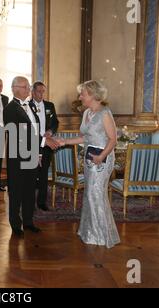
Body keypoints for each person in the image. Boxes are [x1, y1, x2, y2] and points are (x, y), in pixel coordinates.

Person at [57, 80, 120, 249]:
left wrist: (101, 157)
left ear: (92, 95)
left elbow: (113, 140)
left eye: (82, 94)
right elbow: (85, 138)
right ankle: (90, 232)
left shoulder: (105, 113)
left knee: (96, 194)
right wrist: (64, 142)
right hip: (90, 159)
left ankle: (101, 234)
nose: (80, 97)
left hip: (102, 160)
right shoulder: (86, 114)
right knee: (90, 194)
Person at [4, 76, 44, 237]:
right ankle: (15, 224)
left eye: (28, 87)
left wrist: (39, 152)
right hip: (17, 157)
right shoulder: (9, 109)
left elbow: (36, 130)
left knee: (29, 190)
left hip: (32, 155)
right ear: (15, 88)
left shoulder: (31, 106)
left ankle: (28, 221)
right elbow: (17, 134)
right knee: (15, 191)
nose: (29, 90)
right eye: (26, 87)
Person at [30, 81, 59, 211]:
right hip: (31, 144)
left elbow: (55, 122)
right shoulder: (27, 106)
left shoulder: (49, 105)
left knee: (43, 175)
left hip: (46, 145)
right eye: (39, 91)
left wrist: (51, 131)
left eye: (43, 91)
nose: (41, 94)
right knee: (31, 174)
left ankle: (42, 202)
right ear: (33, 91)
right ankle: (28, 202)